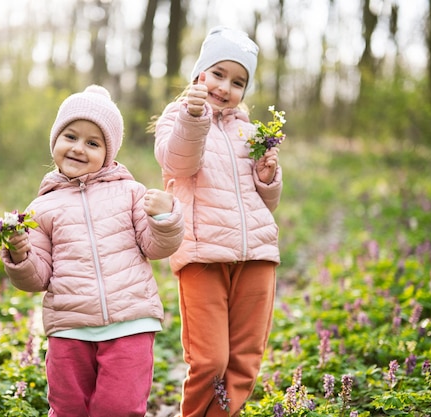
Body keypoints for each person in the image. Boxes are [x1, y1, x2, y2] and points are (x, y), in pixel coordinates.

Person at [0, 85, 184, 417]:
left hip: (130, 322)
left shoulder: (130, 192)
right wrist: (19, 255)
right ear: (55, 140)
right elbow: (37, 277)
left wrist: (164, 217)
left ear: (109, 153)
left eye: (93, 143)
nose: (79, 148)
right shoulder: (41, 208)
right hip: (69, 327)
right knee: (69, 407)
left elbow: (155, 246)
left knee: (120, 407)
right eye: (70, 136)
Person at [152, 26, 282, 417]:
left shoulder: (253, 132)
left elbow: (268, 201)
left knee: (244, 362)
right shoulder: (177, 118)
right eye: (218, 74)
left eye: (238, 81)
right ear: (198, 74)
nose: (226, 87)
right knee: (209, 361)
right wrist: (194, 118)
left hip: (256, 253)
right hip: (203, 253)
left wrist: (268, 175)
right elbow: (177, 163)